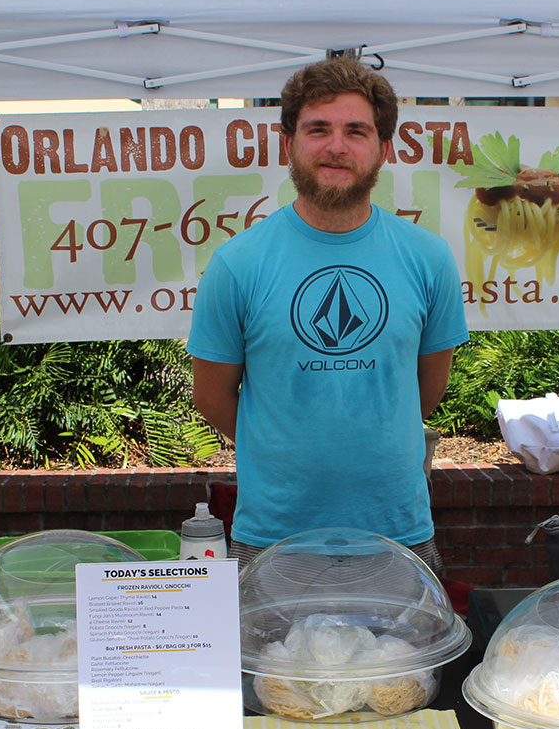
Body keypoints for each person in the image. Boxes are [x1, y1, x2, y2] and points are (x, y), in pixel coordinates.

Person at [186, 59, 469, 574]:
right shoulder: (237, 264)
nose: (336, 146)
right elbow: (211, 397)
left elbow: (427, 391)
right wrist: (283, 446)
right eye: (318, 129)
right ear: (289, 141)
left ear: (383, 149)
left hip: (398, 537)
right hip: (272, 540)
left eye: (356, 131)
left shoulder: (430, 258)